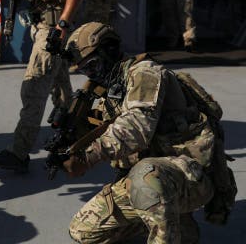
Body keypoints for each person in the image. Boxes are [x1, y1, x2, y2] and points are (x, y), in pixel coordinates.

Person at [61, 22, 236, 243]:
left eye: (93, 66)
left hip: (190, 176)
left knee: (145, 178)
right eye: (85, 70)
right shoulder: (115, 86)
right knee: (83, 231)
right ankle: (180, 228)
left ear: (110, 50)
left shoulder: (145, 73)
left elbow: (136, 127)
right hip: (160, 175)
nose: (91, 75)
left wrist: (89, 155)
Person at [0, 0, 84, 172]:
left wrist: (63, 25)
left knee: (34, 88)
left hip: (53, 29)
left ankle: (19, 153)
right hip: (40, 23)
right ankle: (74, 140)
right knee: (62, 91)